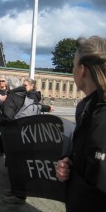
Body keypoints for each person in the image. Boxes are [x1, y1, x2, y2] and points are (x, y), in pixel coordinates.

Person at [56, 36, 106, 212]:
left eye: (73, 65)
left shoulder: (102, 115)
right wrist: (68, 163)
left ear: (82, 70)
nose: (72, 71)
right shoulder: (86, 107)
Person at [0, 77, 54, 204]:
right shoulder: (26, 95)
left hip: (15, 134)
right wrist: (48, 108)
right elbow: (37, 107)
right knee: (19, 164)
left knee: (15, 165)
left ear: (10, 86)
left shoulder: (12, 97)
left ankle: (19, 195)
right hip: (26, 134)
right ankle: (16, 190)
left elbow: (7, 117)